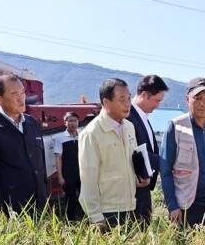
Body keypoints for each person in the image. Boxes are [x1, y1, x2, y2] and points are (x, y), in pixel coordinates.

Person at [79, 78, 149, 229]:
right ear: (106, 102)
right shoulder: (92, 133)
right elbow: (88, 180)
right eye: (122, 99)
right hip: (107, 212)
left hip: (131, 207)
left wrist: (139, 178)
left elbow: (130, 162)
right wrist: (96, 218)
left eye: (129, 98)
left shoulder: (129, 127)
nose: (127, 104)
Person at [160, 77, 205, 227]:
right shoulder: (176, 126)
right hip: (186, 206)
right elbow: (165, 170)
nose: (203, 103)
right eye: (197, 98)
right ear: (187, 99)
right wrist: (172, 206)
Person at [0, 73, 47, 214]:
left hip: (40, 205)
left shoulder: (32, 123)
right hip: (12, 210)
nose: (21, 98)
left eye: (22, 92)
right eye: (14, 94)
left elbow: (41, 164)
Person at [126, 75, 169, 223]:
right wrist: (168, 162)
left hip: (144, 187)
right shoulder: (128, 117)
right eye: (157, 100)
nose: (158, 105)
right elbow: (133, 152)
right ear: (144, 94)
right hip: (133, 190)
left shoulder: (142, 116)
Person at [54, 112, 83, 220]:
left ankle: (84, 218)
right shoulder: (60, 138)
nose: (73, 123)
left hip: (82, 171)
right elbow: (58, 158)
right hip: (68, 172)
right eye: (70, 121)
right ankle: (70, 220)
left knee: (84, 196)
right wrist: (60, 176)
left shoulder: (82, 135)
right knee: (70, 197)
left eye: (75, 120)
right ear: (65, 122)